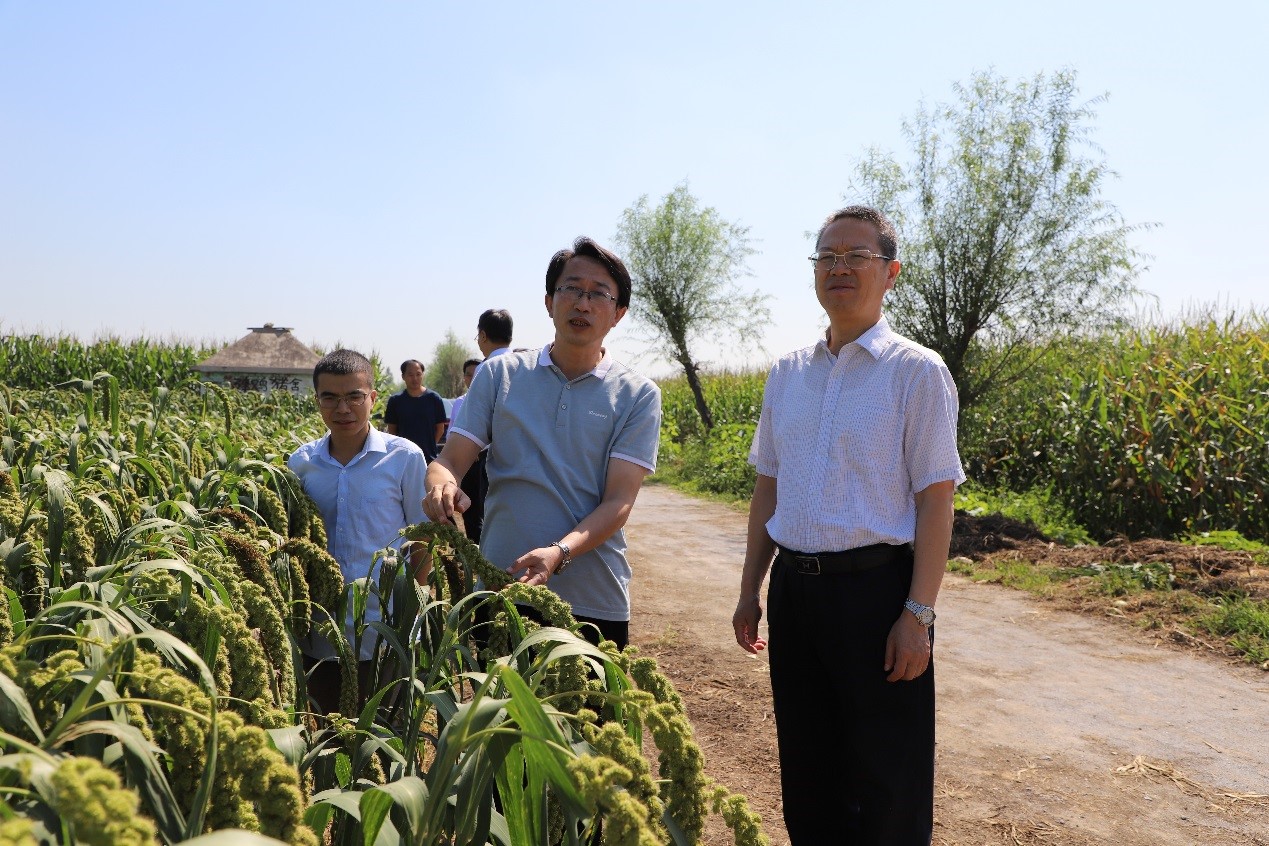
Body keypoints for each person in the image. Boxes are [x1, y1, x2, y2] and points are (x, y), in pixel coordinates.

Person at [731, 206, 964, 845]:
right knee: (809, 773)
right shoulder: (787, 373)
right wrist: (751, 589)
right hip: (796, 595)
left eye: (856, 256)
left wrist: (918, 614)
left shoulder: (917, 372)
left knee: (889, 780)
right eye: (827, 256)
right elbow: (768, 487)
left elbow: (936, 499)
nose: (839, 267)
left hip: (877, 596)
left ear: (890, 273)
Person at [423, 238, 661, 651]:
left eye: (599, 294)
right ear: (550, 302)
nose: (582, 304)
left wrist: (559, 553)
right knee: (497, 695)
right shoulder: (499, 376)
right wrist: (440, 485)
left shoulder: (637, 395)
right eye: (571, 289)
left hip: (593, 599)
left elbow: (619, 502)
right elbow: (450, 461)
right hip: (502, 587)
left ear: (618, 313)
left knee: (585, 697)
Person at [287, 349, 429, 714]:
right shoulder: (301, 463)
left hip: (384, 628)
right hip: (321, 629)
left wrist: (413, 610)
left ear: (373, 398)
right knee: (328, 727)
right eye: (330, 398)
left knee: (383, 729)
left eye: (354, 396)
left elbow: (422, 538)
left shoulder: (404, 458)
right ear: (316, 400)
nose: (343, 409)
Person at [448, 357, 486, 541]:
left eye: (476, 374)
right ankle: (472, 548)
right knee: (470, 509)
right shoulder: (460, 402)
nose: (472, 378)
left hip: (486, 462)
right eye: (469, 375)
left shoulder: (493, 400)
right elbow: (452, 431)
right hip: (468, 464)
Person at [384, 359, 448, 462]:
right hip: (404, 458)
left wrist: (430, 445)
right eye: (410, 375)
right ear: (403, 376)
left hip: (428, 457)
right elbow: (392, 431)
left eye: (418, 374)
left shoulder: (434, 399)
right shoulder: (395, 401)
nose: (415, 378)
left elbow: (440, 429)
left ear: (423, 375)